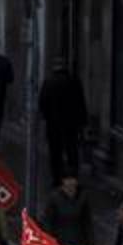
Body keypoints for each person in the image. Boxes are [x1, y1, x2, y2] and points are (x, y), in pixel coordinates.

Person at [39, 58, 88, 187]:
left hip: (53, 124)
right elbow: (80, 102)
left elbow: (42, 103)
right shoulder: (73, 81)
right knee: (71, 151)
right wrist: (82, 122)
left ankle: (56, 178)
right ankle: (73, 177)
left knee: (55, 152)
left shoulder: (49, 81)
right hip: (71, 124)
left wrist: (46, 117)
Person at [41, 175, 94, 245]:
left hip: (78, 244)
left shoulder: (83, 198)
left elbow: (87, 222)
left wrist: (90, 244)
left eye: (73, 181)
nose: (71, 185)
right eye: (68, 181)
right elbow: (48, 223)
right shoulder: (54, 198)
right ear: (63, 183)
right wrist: (51, 243)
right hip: (60, 243)